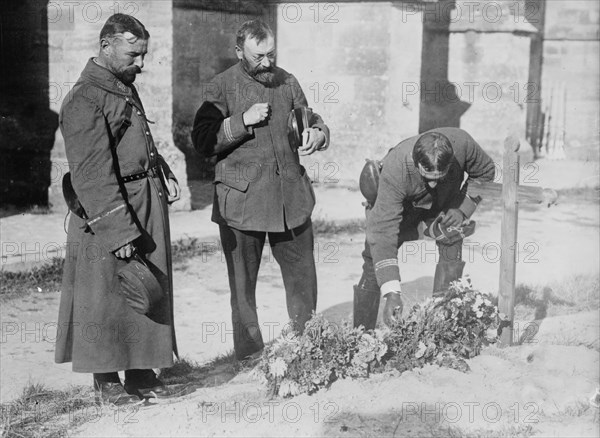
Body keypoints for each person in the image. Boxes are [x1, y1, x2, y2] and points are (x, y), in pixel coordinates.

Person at [55, 14, 181, 404]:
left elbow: (136, 139)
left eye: (143, 54)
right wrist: (119, 230)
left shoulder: (119, 83)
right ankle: (106, 381)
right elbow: (91, 173)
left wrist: (162, 169)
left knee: (144, 288)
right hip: (107, 210)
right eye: (133, 54)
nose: (140, 63)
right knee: (105, 296)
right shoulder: (84, 97)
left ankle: (141, 372)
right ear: (106, 46)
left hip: (143, 201)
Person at [192, 19, 330, 361]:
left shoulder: (287, 81)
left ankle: (304, 346)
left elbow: (310, 120)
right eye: (258, 57)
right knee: (242, 285)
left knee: (303, 278)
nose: (267, 63)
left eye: (271, 54)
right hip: (242, 201)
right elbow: (203, 142)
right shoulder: (220, 86)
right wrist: (242, 121)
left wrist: (317, 134)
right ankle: (249, 355)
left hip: (290, 199)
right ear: (239, 52)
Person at [354, 127, 495, 330]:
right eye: (427, 176)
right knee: (373, 259)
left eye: (439, 177)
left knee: (452, 239)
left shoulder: (463, 143)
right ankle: (361, 335)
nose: (433, 183)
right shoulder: (397, 168)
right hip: (402, 209)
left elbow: (484, 173)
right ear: (416, 162)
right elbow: (383, 232)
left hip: (444, 206)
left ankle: (443, 327)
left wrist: (462, 209)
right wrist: (392, 292)